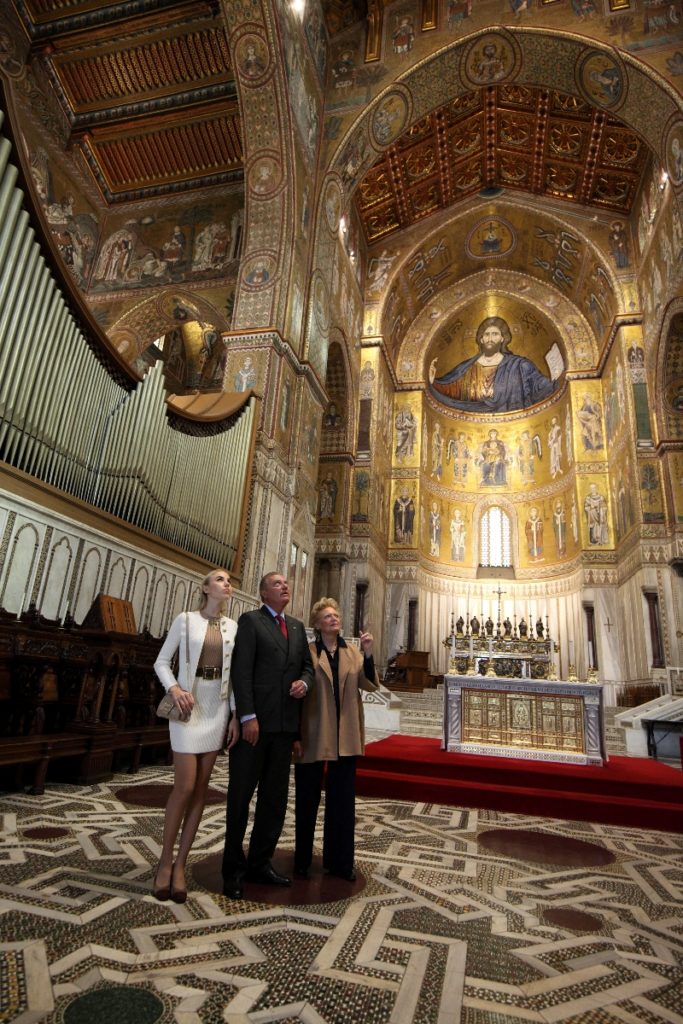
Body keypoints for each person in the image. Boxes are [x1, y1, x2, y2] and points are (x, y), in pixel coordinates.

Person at [221, 572, 314, 899]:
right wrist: (247, 716)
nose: (284, 586)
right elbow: (241, 672)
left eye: (286, 583)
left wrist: (305, 682)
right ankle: (231, 867)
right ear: (263, 592)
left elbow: (308, 667)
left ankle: (260, 862)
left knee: (274, 802)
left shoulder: (299, 628)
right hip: (254, 727)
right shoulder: (251, 621)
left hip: (285, 728)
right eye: (277, 584)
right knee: (240, 797)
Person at [153, 568, 239, 903]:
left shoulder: (234, 627)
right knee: (184, 786)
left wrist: (232, 715)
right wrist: (174, 688)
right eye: (219, 579)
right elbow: (162, 662)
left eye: (229, 580)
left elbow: (233, 678)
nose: (226, 583)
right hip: (188, 707)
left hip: (216, 710)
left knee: (202, 790)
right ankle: (163, 861)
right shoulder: (185, 619)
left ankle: (180, 867)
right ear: (205, 588)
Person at [293, 599, 379, 881]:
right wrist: (295, 735)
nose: (334, 619)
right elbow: (296, 695)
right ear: (317, 623)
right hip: (314, 732)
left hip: (345, 736)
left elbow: (369, 684)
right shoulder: (306, 652)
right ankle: (302, 860)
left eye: (336, 615)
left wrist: (368, 654)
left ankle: (340, 862)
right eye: (327, 616)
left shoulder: (352, 651)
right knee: (307, 799)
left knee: (342, 802)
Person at [429, 316, 558, 412]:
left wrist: (557, 378)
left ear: (503, 338)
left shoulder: (519, 365)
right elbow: (450, 389)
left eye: (495, 334)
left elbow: (539, 386)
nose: (490, 339)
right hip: (472, 422)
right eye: (487, 335)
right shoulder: (467, 367)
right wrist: (433, 381)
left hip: (515, 425)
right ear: (481, 339)